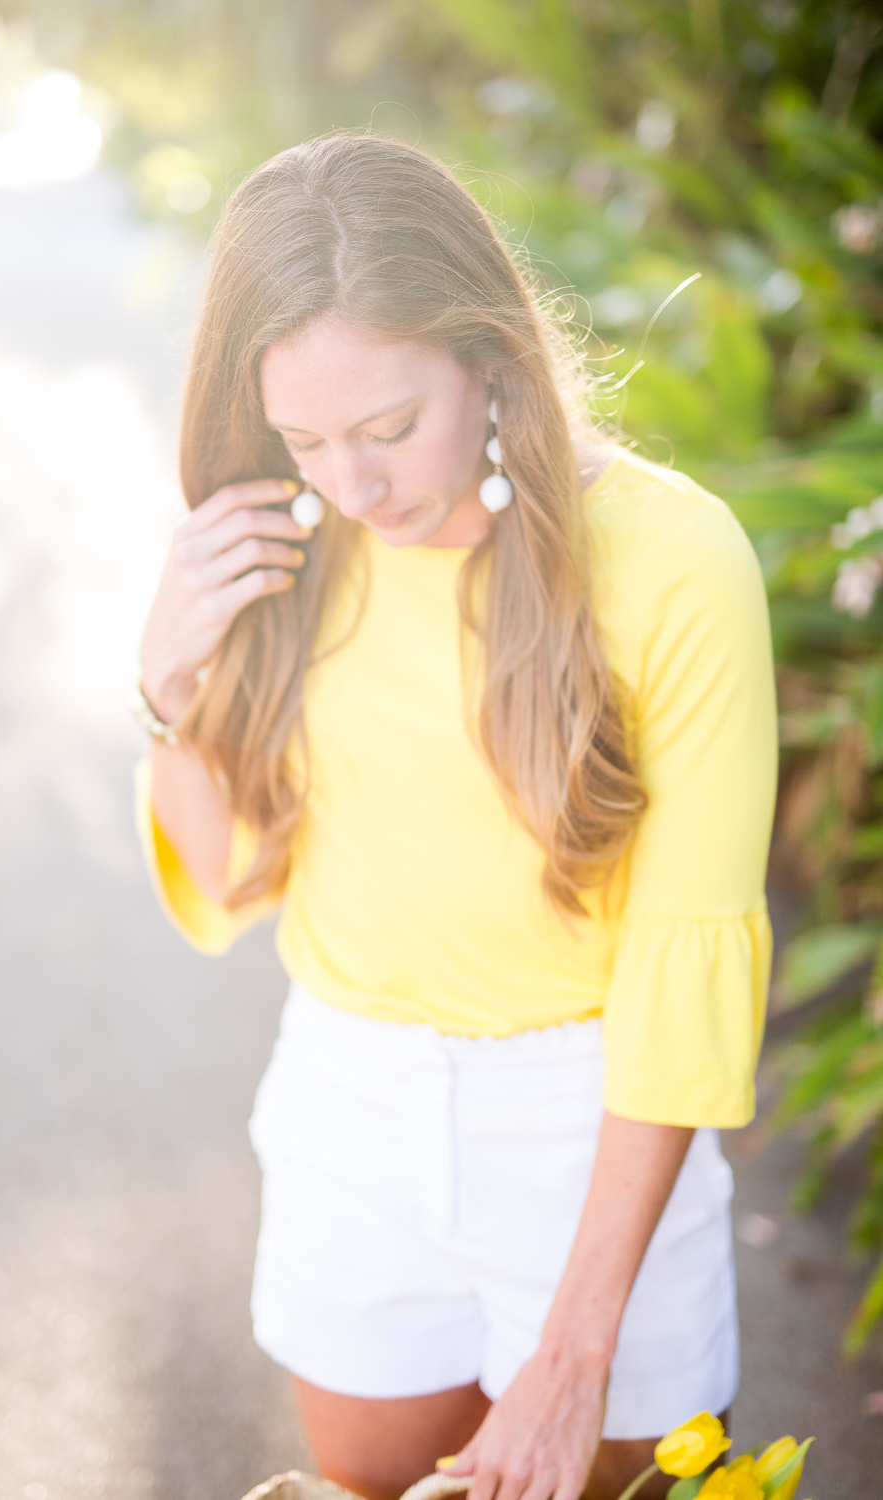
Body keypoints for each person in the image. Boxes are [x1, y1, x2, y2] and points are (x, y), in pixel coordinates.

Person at [133, 134, 777, 1500]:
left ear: (489, 355)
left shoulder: (673, 560)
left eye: (386, 430)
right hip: (349, 1102)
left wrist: (576, 1343)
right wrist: (168, 686)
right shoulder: (294, 542)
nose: (354, 488)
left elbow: (686, 963)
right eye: (307, 440)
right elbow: (236, 875)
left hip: (592, 1116)